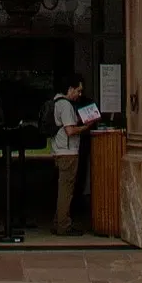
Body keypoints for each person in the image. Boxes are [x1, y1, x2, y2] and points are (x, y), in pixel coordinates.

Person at [51, 74, 85, 234]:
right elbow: (70, 130)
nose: (80, 94)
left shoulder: (58, 103)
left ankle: (58, 222)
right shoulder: (65, 105)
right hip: (68, 152)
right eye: (78, 90)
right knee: (66, 190)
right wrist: (87, 126)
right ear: (70, 89)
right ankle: (64, 225)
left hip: (60, 150)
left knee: (63, 188)